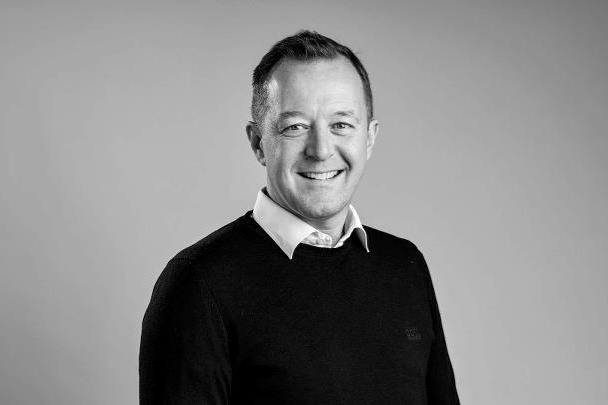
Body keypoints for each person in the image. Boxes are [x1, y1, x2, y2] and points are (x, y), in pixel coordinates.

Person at [139, 30, 459, 404]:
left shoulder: (405, 266)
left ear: (369, 138)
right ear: (258, 143)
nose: (321, 150)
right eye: (295, 127)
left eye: (341, 124)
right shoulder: (198, 284)